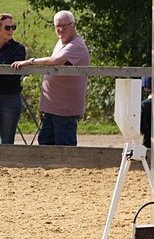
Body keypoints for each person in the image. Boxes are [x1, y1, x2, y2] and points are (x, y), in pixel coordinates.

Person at [11, 10, 90, 146]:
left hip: (64, 109)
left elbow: (56, 60)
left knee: (64, 147)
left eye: (64, 26)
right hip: (52, 107)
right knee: (45, 145)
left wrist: (30, 61)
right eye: (57, 26)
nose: (60, 29)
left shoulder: (76, 45)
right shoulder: (61, 42)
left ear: (73, 25)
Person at [0, 13, 27, 144]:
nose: (11, 30)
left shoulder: (18, 48)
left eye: (13, 27)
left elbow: (12, 76)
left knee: (6, 141)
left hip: (9, 98)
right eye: (7, 28)